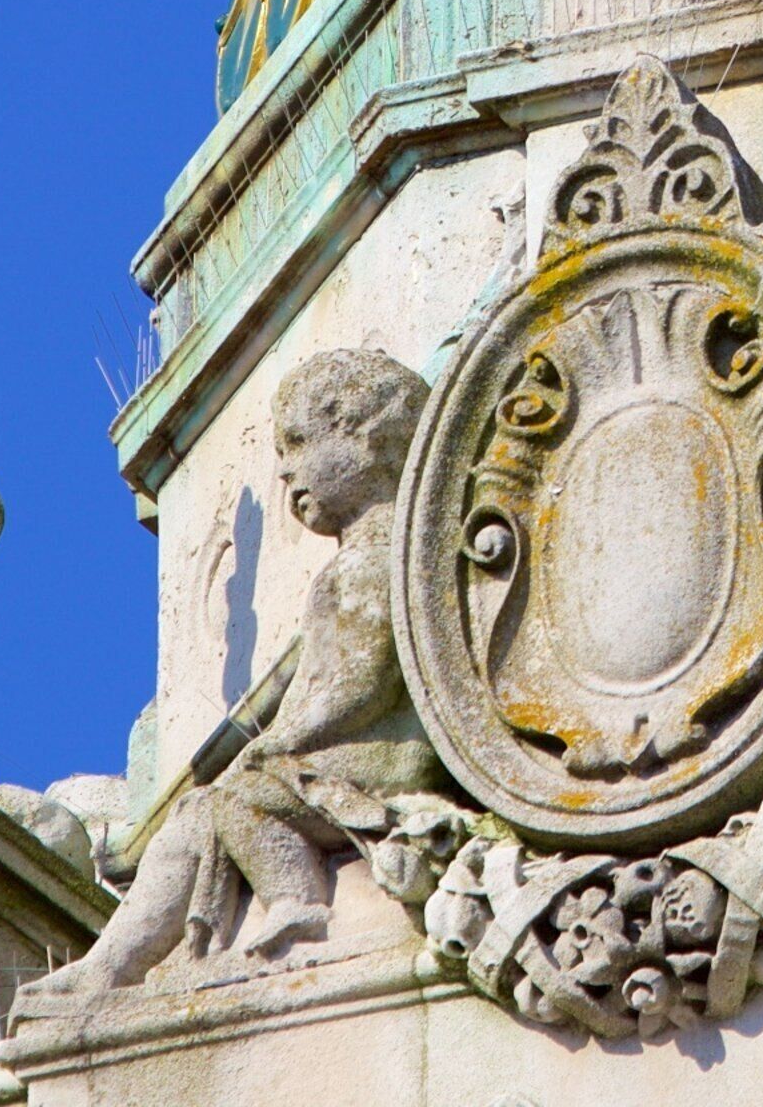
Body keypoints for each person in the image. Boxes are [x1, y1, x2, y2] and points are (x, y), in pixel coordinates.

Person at [26, 348, 449, 999]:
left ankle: (293, 898)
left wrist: (282, 740)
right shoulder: (369, 557)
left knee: (234, 793)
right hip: (352, 755)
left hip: (383, 757)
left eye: (301, 442)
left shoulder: (378, 557)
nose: (284, 468)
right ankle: (111, 966)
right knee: (198, 810)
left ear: (371, 438)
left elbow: (358, 685)